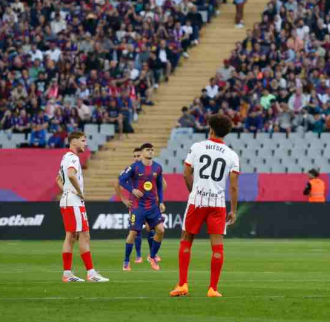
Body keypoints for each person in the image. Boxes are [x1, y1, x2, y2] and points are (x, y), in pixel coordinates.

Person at [170, 113, 240, 298]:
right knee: (217, 247)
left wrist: (193, 192)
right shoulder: (232, 155)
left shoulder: (197, 147)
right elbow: (233, 186)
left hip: (197, 201)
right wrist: (233, 210)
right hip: (218, 203)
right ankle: (213, 289)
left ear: (210, 128)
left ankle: (183, 285)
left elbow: (186, 173)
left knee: (186, 239)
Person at [57, 132, 109, 283]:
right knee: (84, 235)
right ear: (73, 142)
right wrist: (79, 192)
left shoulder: (64, 157)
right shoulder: (73, 158)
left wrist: (66, 190)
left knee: (70, 236)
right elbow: (71, 174)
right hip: (74, 201)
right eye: (83, 141)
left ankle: (67, 274)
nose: (85, 144)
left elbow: (58, 178)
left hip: (67, 199)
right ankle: (91, 274)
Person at [117, 142, 166, 271]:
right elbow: (121, 180)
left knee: (160, 230)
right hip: (137, 206)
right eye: (148, 150)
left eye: (152, 149)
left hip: (152, 206)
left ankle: (152, 256)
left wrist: (161, 201)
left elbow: (160, 186)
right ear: (143, 152)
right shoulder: (134, 167)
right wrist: (132, 190)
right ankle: (126, 261)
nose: (150, 151)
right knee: (133, 233)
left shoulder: (158, 168)